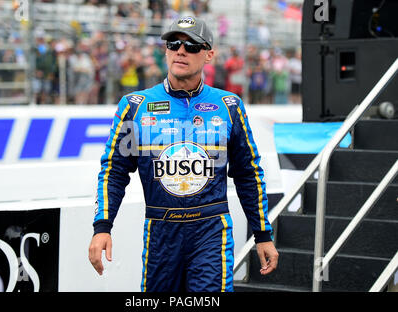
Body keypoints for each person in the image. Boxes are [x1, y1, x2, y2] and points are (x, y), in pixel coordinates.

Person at [88, 15, 278, 292]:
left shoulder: (229, 105)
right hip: (160, 231)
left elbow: (249, 174)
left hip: (210, 229)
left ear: (209, 54)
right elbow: (114, 171)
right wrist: (102, 227)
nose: (180, 50)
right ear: (165, 50)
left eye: (191, 46)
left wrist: (263, 234)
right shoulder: (134, 105)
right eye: (174, 43)